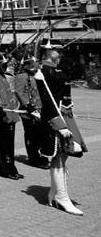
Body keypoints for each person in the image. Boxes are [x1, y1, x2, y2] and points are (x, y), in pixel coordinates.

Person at [37, 46, 87, 216]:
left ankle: (53, 193)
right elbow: (46, 100)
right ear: (46, 53)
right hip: (55, 117)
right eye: (55, 48)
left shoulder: (57, 69)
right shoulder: (42, 72)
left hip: (65, 114)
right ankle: (61, 197)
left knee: (64, 154)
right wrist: (59, 124)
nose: (59, 51)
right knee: (58, 155)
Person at [0, 52, 23, 180]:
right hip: (1, 114)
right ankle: (4, 168)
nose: (5, 66)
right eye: (2, 63)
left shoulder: (2, 75)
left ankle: (10, 166)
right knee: (2, 144)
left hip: (10, 112)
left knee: (9, 143)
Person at [14, 57, 47, 168]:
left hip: (42, 109)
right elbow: (19, 92)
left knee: (42, 135)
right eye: (33, 64)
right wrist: (30, 108)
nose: (35, 66)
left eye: (36, 64)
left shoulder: (39, 75)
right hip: (29, 111)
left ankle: (42, 155)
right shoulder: (21, 76)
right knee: (32, 136)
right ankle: (34, 158)